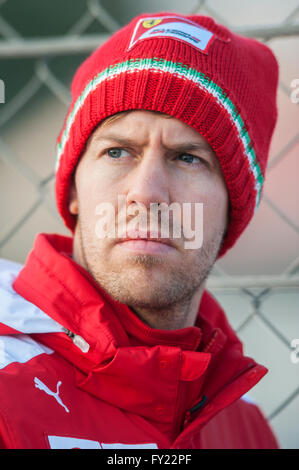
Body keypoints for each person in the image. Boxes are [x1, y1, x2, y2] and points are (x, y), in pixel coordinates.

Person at [0, 12, 279, 449]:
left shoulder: (243, 432)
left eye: (187, 157)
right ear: (74, 190)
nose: (146, 194)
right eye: (117, 152)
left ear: (232, 212)